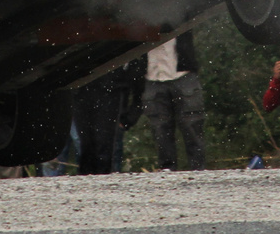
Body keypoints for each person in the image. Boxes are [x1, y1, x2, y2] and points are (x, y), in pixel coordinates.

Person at [143, 30, 206, 171]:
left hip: (183, 74)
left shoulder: (178, 11)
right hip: (152, 76)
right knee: (160, 130)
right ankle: (167, 171)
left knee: (192, 127)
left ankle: (198, 171)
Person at [73, 57, 144, 174]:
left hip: (109, 88)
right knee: (85, 144)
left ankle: (102, 179)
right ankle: (86, 179)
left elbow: (134, 64)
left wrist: (130, 115)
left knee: (104, 145)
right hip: (81, 87)